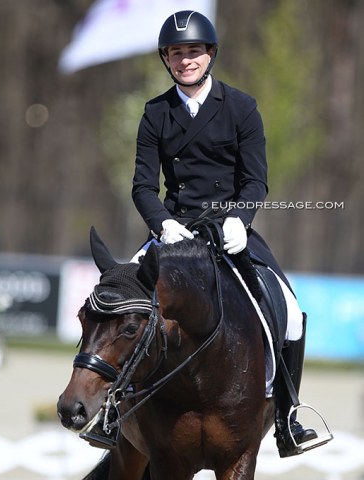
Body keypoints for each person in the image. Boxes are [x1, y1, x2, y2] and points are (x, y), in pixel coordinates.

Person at [131, 10, 320, 457]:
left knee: (290, 312)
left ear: (210, 53)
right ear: (167, 60)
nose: (185, 60)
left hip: (229, 230)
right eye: (176, 53)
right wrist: (164, 225)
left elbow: (255, 181)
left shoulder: (241, 107)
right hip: (174, 232)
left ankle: (287, 418)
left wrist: (240, 218)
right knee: (118, 301)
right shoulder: (155, 112)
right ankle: (114, 411)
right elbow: (142, 185)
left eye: (193, 51)